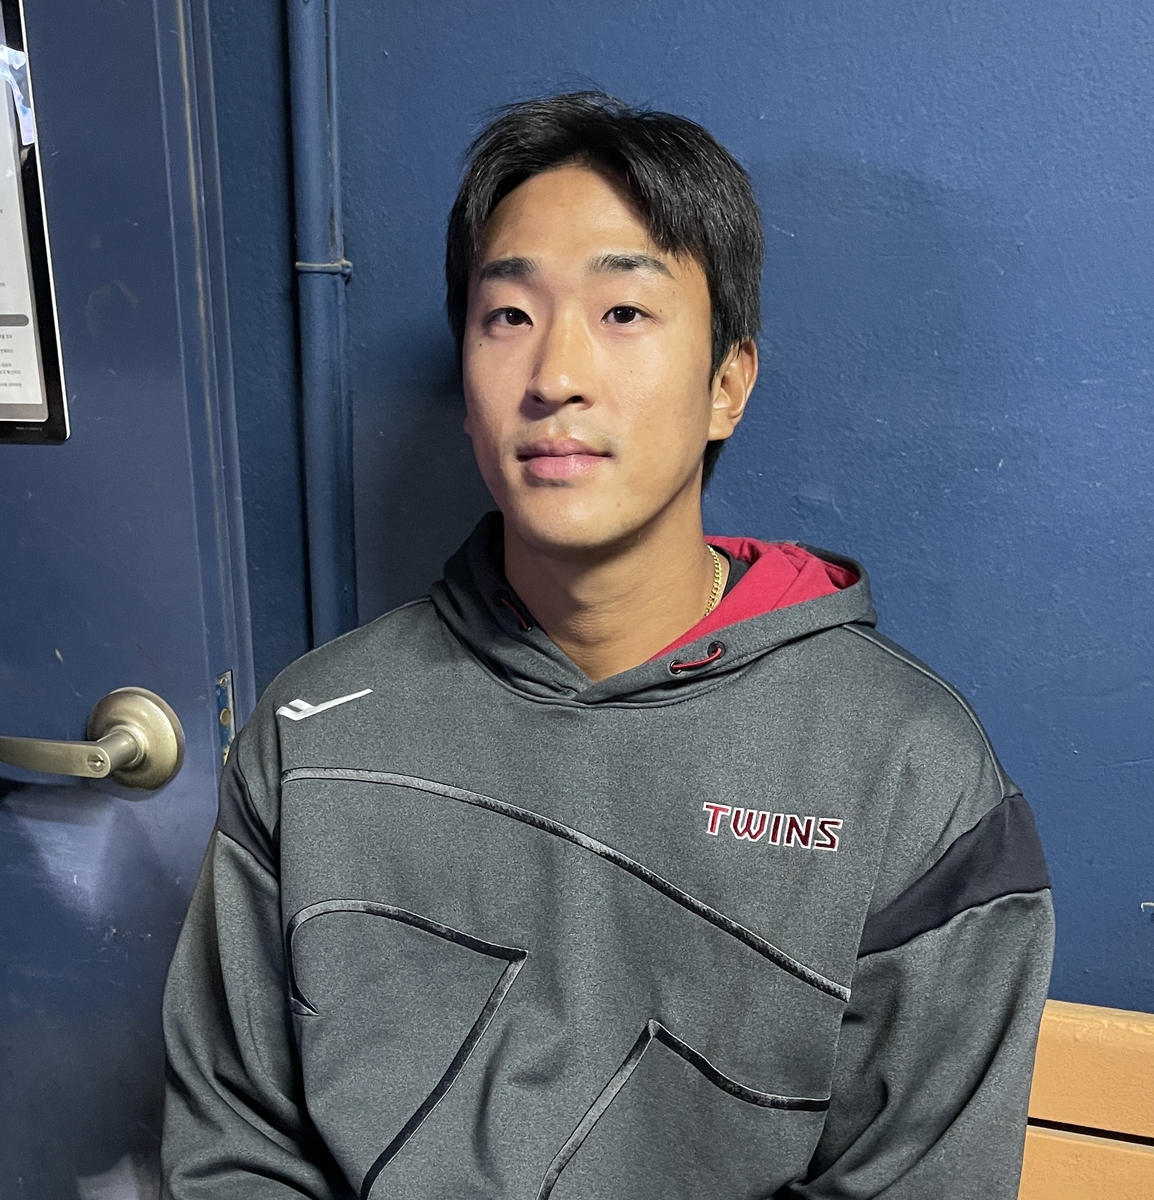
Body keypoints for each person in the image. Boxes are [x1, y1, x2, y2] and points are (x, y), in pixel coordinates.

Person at [161, 92, 1054, 1198]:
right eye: (508, 315)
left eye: (623, 311)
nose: (555, 376)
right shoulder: (312, 735)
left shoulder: (909, 775)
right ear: (466, 391)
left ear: (727, 384)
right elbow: (233, 1145)